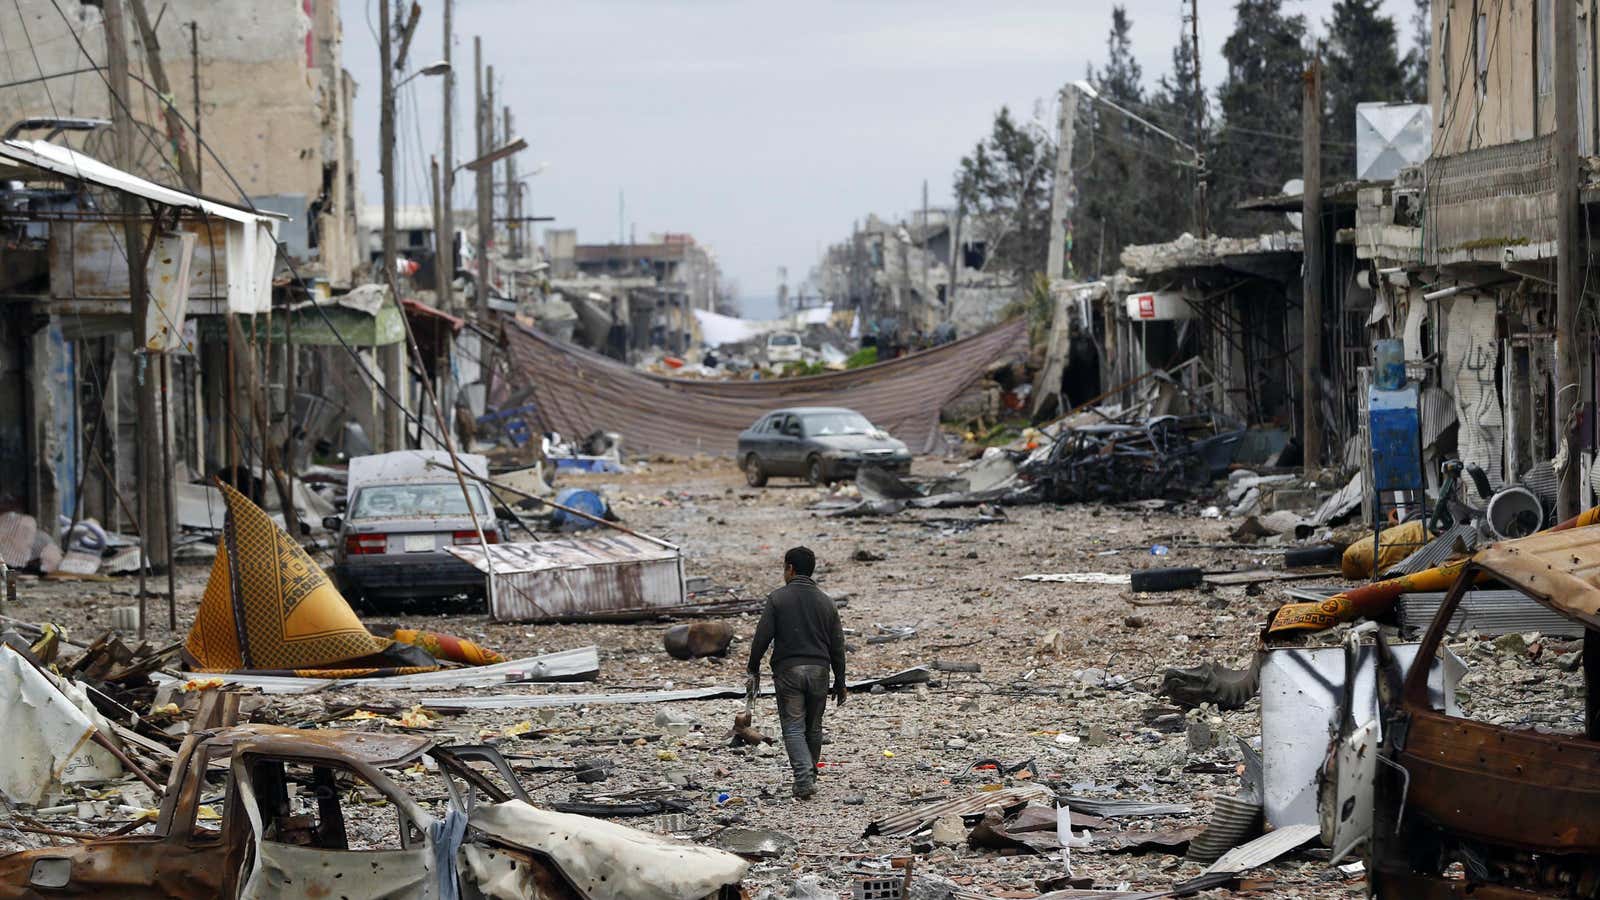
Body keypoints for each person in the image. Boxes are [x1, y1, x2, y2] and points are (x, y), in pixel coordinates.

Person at [746, 546, 846, 799]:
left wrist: (753, 667)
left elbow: (762, 638)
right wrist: (841, 681)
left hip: (789, 671)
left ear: (790, 568)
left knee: (793, 727)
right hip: (820, 671)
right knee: (813, 727)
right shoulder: (827, 602)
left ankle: (803, 780)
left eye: (784, 568)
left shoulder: (778, 599)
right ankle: (810, 777)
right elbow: (837, 646)